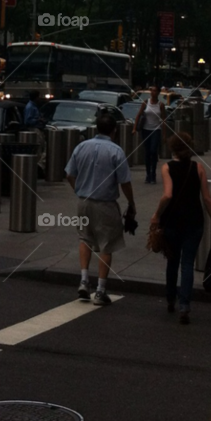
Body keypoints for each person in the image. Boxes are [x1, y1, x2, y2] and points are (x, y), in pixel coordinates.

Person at [150, 130, 211, 324]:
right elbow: (207, 199)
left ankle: (170, 298)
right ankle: (184, 305)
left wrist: (156, 215)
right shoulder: (198, 168)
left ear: (173, 148)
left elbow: (167, 195)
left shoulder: (167, 168)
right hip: (194, 221)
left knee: (172, 261)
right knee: (188, 263)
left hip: (172, 221)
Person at [65, 114, 135, 306]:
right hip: (105, 203)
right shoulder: (116, 151)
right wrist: (131, 203)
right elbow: (125, 182)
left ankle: (84, 280)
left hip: (84, 201)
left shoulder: (81, 146)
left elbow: (69, 174)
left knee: (84, 238)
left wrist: (79, 190)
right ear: (114, 130)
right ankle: (100, 290)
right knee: (107, 245)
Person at [134, 86, 166, 185]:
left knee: (153, 151)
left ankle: (153, 173)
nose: (152, 92)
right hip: (146, 130)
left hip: (156, 130)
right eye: (151, 90)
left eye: (155, 91)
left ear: (158, 93)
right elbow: (139, 115)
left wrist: (164, 134)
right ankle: (148, 174)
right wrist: (134, 128)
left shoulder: (161, 105)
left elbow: (163, 120)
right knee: (147, 152)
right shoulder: (145, 102)